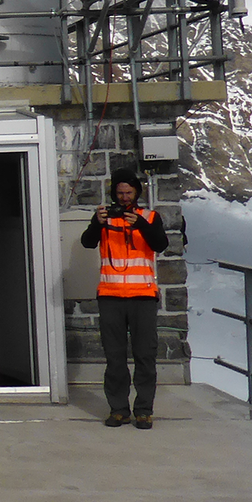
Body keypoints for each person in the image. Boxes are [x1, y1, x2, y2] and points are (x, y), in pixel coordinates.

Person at [80, 168, 169, 429]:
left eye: (129, 193)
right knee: (114, 358)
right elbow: (87, 242)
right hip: (111, 296)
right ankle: (118, 409)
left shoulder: (150, 216)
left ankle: (144, 410)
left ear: (137, 193)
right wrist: (97, 222)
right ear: (113, 194)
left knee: (145, 356)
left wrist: (141, 224)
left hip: (143, 296)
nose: (124, 198)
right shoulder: (105, 218)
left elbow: (160, 244)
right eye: (119, 193)